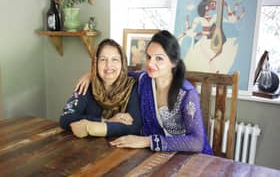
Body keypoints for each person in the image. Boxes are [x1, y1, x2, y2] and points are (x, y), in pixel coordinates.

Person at [75, 31, 213, 155]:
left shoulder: (187, 93)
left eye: (159, 58)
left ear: (174, 62)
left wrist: (148, 141)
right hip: (153, 156)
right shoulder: (143, 79)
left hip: (191, 160)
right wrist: (91, 74)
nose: (150, 64)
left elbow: (196, 142)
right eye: (148, 57)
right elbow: (116, 73)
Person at [60, 38, 141, 138]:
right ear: (96, 63)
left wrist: (90, 126)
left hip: (120, 150)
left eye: (115, 59)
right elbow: (66, 118)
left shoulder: (132, 87)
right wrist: (107, 121)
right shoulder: (86, 84)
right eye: (103, 59)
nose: (109, 65)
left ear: (122, 63)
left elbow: (134, 127)